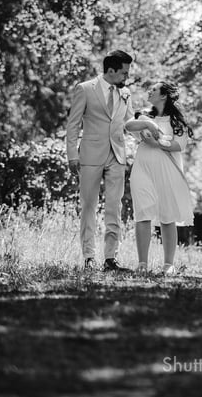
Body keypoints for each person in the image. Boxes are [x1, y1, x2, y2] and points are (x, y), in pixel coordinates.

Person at [66, 50, 136, 272]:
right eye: (124, 72)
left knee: (114, 207)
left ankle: (110, 259)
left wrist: (152, 132)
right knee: (88, 206)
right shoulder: (85, 89)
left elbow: (130, 122)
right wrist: (72, 155)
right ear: (111, 70)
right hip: (90, 156)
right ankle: (88, 257)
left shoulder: (126, 93)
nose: (127, 77)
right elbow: (73, 124)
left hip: (117, 156)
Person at [125, 81, 195, 276]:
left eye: (154, 89)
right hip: (143, 167)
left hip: (167, 170)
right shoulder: (145, 116)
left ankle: (168, 264)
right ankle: (142, 263)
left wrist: (156, 143)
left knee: (167, 216)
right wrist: (148, 123)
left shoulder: (176, 120)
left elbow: (179, 145)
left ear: (164, 95)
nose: (150, 91)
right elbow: (128, 125)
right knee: (143, 213)